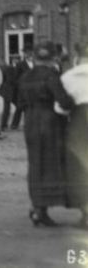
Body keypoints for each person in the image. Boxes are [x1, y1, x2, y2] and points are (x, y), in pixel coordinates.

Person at [18, 42, 73, 226]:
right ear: (51, 58)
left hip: (31, 122)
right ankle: (43, 208)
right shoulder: (52, 75)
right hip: (50, 123)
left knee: (35, 164)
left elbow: (19, 102)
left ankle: (37, 208)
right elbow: (64, 101)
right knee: (51, 165)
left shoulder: (25, 76)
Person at [61, 42, 88, 228]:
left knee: (80, 165)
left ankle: (86, 210)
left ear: (76, 57)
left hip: (79, 120)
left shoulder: (68, 76)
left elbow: (60, 107)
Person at [0, 57, 19, 130]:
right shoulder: (10, 68)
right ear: (12, 61)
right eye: (16, 59)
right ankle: (3, 125)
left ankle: (13, 124)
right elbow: (10, 80)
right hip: (8, 90)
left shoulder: (16, 68)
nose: (17, 61)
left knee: (19, 106)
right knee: (7, 108)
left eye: (18, 59)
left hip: (13, 91)